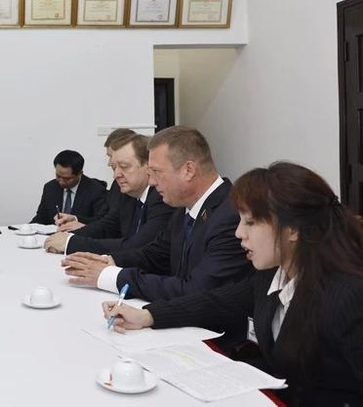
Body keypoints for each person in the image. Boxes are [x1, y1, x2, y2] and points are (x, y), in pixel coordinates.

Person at [103, 162, 363, 405]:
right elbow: (218, 300)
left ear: (293, 229)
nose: (239, 232)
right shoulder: (272, 275)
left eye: (250, 222)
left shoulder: (347, 297)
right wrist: (148, 315)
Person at [62, 126, 252, 301]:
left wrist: (112, 276)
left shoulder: (231, 215)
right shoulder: (183, 208)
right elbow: (154, 255)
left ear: (188, 170)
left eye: (156, 171)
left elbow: (197, 290)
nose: (151, 181)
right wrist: (108, 261)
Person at [44, 134, 175, 255]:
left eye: (124, 166)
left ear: (148, 166)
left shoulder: (161, 198)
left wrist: (70, 243)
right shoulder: (128, 194)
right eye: (114, 168)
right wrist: (68, 236)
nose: (116, 175)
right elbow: (107, 226)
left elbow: (137, 245)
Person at [30, 149, 109, 226]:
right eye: (58, 175)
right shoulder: (50, 187)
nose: (60, 181)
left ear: (80, 173)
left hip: (81, 237)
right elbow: (41, 218)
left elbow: (100, 223)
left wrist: (76, 220)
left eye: (66, 178)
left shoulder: (96, 190)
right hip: (53, 236)